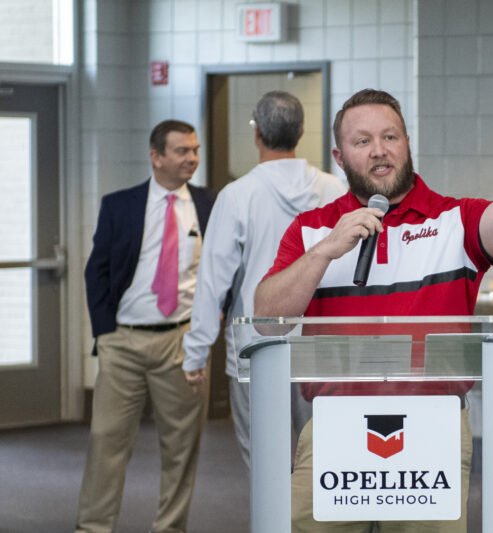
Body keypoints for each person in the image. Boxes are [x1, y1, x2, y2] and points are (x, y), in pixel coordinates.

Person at [255, 49, 493, 532]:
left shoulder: (455, 220)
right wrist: (327, 251)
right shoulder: (312, 231)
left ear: (408, 143)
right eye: (362, 140)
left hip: (432, 427)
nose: (379, 150)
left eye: (390, 137)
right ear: (339, 156)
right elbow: (267, 317)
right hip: (334, 427)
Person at [181, 90, 346, 467]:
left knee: (264, 464)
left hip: (257, 347)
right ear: (301, 131)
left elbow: (212, 283)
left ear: (256, 133)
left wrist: (196, 353)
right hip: (319, 346)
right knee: (321, 461)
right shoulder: (335, 190)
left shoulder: (237, 196)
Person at [76, 120, 214, 533]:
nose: (191, 158)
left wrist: (213, 319)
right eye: (181, 151)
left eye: (195, 150)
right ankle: (93, 527)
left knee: (181, 449)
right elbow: (96, 271)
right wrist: (106, 332)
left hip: (182, 341)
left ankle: (170, 528)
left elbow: (224, 270)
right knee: (106, 442)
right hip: (124, 342)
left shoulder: (210, 204)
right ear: (156, 157)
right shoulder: (120, 205)